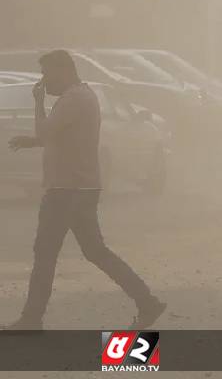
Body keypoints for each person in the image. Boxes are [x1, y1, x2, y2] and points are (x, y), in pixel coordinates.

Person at [5, 50, 166, 330]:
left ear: (63, 70)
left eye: (47, 73)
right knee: (94, 251)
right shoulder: (83, 96)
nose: (45, 80)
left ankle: (31, 319)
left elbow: (45, 132)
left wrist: (39, 103)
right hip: (79, 187)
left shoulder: (73, 99)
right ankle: (147, 301)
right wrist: (30, 142)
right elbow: (57, 138)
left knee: (46, 252)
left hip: (67, 189)